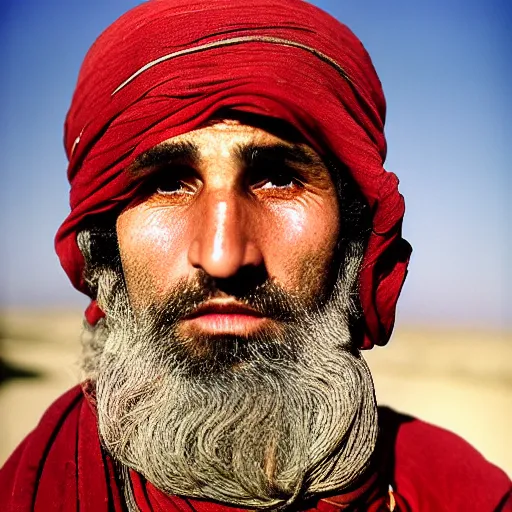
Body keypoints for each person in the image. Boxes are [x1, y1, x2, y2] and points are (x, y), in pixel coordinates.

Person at [1, 0, 510, 510]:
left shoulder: (466, 495)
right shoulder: (34, 489)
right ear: (104, 248)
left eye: (280, 179)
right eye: (167, 184)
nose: (223, 256)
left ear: (353, 239)